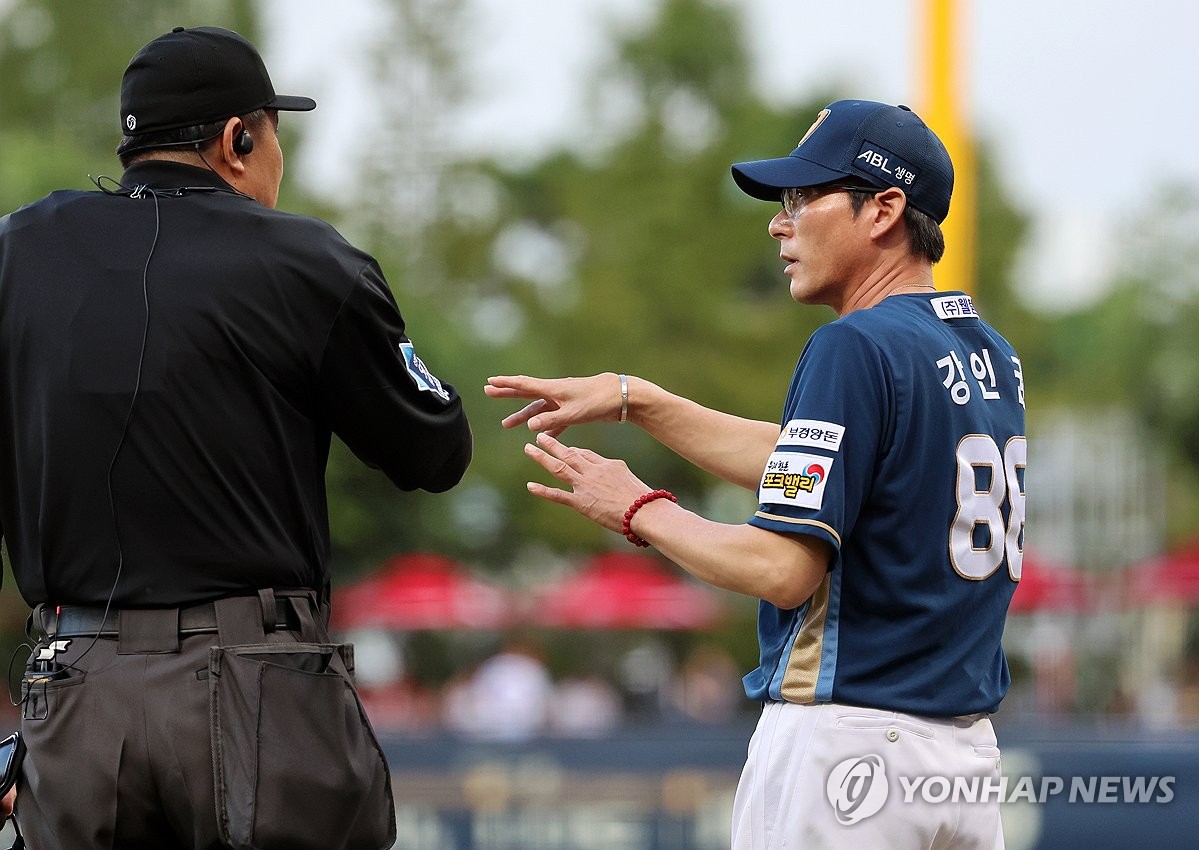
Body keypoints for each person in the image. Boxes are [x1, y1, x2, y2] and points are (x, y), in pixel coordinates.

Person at [486, 99, 1025, 849]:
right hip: (963, 764)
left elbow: (781, 568)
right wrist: (633, 398)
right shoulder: (987, 350)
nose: (780, 221)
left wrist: (639, 508)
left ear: (885, 210)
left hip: (848, 750)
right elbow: (822, 462)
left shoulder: (855, 346)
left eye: (805, 198)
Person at [0, 26, 472, 849]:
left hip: (75, 683)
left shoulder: (15, 252)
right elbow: (434, 450)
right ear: (237, 138)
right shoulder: (305, 261)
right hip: (258, 683)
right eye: (274, 133)